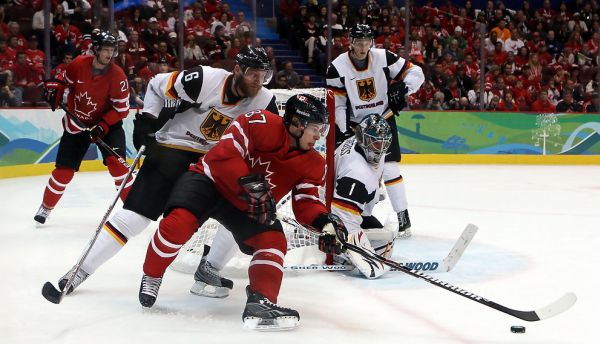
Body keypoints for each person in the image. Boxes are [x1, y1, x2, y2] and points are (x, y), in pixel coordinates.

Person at [54, 46, 279, 295]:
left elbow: (270, 141)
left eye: (264, 75)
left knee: (244, 208)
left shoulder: (265, 101)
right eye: (253, 74)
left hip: (214, 163)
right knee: (134, 218)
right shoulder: (204, 79)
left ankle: (209, 267)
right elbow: (155, 84)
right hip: (172, 149)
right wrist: (148, 119)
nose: (259, 82)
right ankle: (81, 269)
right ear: (237, 69)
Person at [138, 94, 347, 330]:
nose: (320, 135)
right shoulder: (259, 122)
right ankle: (152, 274)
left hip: (247, 204)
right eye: (316, 128)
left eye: (322, 129)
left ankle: (261, 300)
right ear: (297, 124)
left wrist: (325, 223)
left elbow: (306, 202)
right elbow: (225, 154)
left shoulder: (314, 163)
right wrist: (253, 187)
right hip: (209, 181)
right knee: (178, 224)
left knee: (274, 241)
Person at [192, 114, 395, 291]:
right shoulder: (357, 174)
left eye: (383, 144)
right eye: (376, 143)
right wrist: (350, 250)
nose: (380, 149)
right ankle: (211, 263)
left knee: (249, 214)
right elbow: (346, 218)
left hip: (321, 197)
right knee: (247, 216)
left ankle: (211, 262)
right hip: (325, 203)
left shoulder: (355, 146)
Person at [326, 24, 424, 238]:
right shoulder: (337, 67)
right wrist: (342, 132)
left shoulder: (383, 57)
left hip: (383, 121)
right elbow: (339, 104)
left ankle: (403, 218)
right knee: (360, 171)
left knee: (389, 170)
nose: (363, 47)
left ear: (372, 42)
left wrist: (405, 87)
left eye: (367, 42)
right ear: (350, 42)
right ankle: (354, 215)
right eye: (358, 42)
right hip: (356, 127)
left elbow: (417, 72)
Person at [34, 30, 131, 224]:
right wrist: (54, 90)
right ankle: (45, 207)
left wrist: (102, 126)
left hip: (107, 125)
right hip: (76, 124)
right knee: (64, 171)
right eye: (105, 49)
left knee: (118, 167)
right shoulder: (78, 64)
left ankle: (133, 211)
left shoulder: (117, 76)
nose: (109, 54)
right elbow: (62, 80)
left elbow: (122, 109)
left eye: (112, 50)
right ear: (95, 49)